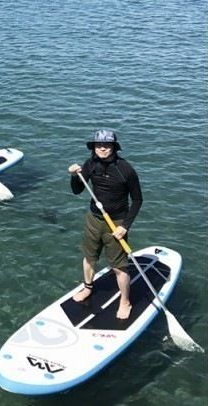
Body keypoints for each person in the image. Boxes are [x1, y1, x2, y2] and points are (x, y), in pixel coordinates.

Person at [68, 129, 143, 320]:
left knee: (119, 267)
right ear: (94, 147)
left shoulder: (125, 169)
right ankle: (87, 288)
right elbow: (77, 191)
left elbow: (137, 200)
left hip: (116, 222)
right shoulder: (90, 164)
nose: (102, 148)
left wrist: (125, 226)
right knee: (89, 257)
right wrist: (75, 176)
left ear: (114, 147)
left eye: (107, 145)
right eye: (98, 145)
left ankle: (125, 301)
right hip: (94, 219)